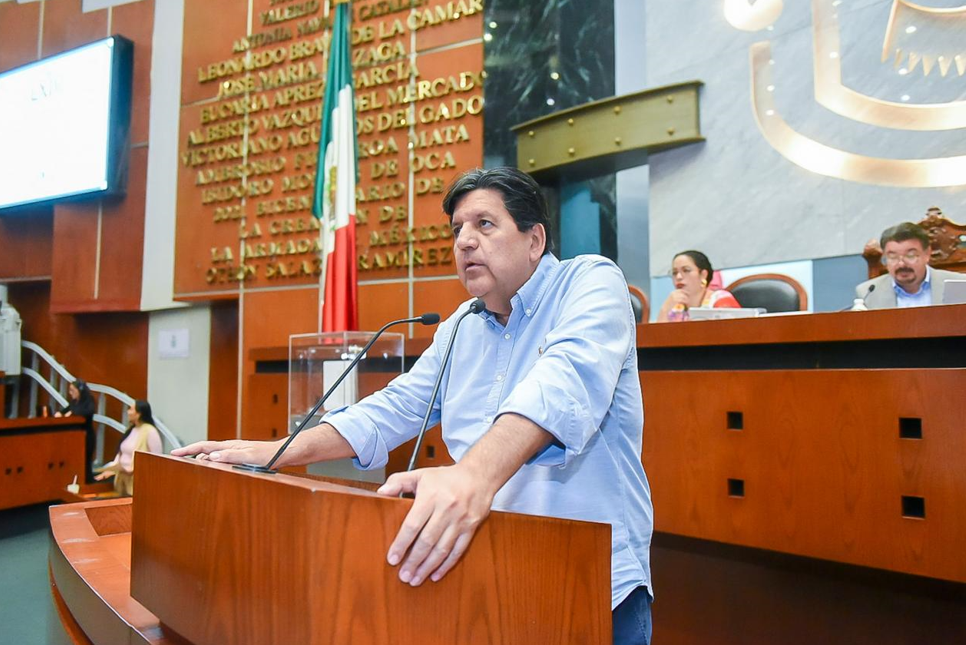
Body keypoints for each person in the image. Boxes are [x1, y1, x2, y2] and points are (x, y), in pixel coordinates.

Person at [174, 167, 655, 644]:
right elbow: (394, 407)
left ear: (534, 240)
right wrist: (279, 451)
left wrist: (472, 475)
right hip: (494, 582)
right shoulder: (460, 325)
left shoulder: (589, 282)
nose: (465, 241)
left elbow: (564, 381)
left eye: (484, 224)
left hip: (593, 589)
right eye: (457, 229)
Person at [856, 222, 961, 309]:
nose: (901, 264)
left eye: (910, 255)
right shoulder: (868, 293)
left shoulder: (959, 284)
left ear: (927, 254)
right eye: (893, 257)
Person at [95, 400, 162, 496]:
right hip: (122, 478)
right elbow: (121, 453)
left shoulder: (150, 431)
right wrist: (111, 469)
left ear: (139, 414)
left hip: (139, 481)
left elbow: (157, 459)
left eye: (131, 409)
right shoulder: (131, 429)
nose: (128, 412)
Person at [656, 250, 740, 322]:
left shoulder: (721, 299)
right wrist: (665, 309)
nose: (678, 277)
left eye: (686, 270)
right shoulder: (675, 309)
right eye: (674, 273)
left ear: (703, 275)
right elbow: (657, 335)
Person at [54, 379, 97, 482]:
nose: (70, 393)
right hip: (74, 437)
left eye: (73, 390)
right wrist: (60, 413)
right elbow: (65, 410)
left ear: (80, 390)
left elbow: (88, 411)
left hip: (86, 436)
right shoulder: (74, 402)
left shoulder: (89, 400)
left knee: (85, 463)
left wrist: (73, 413)